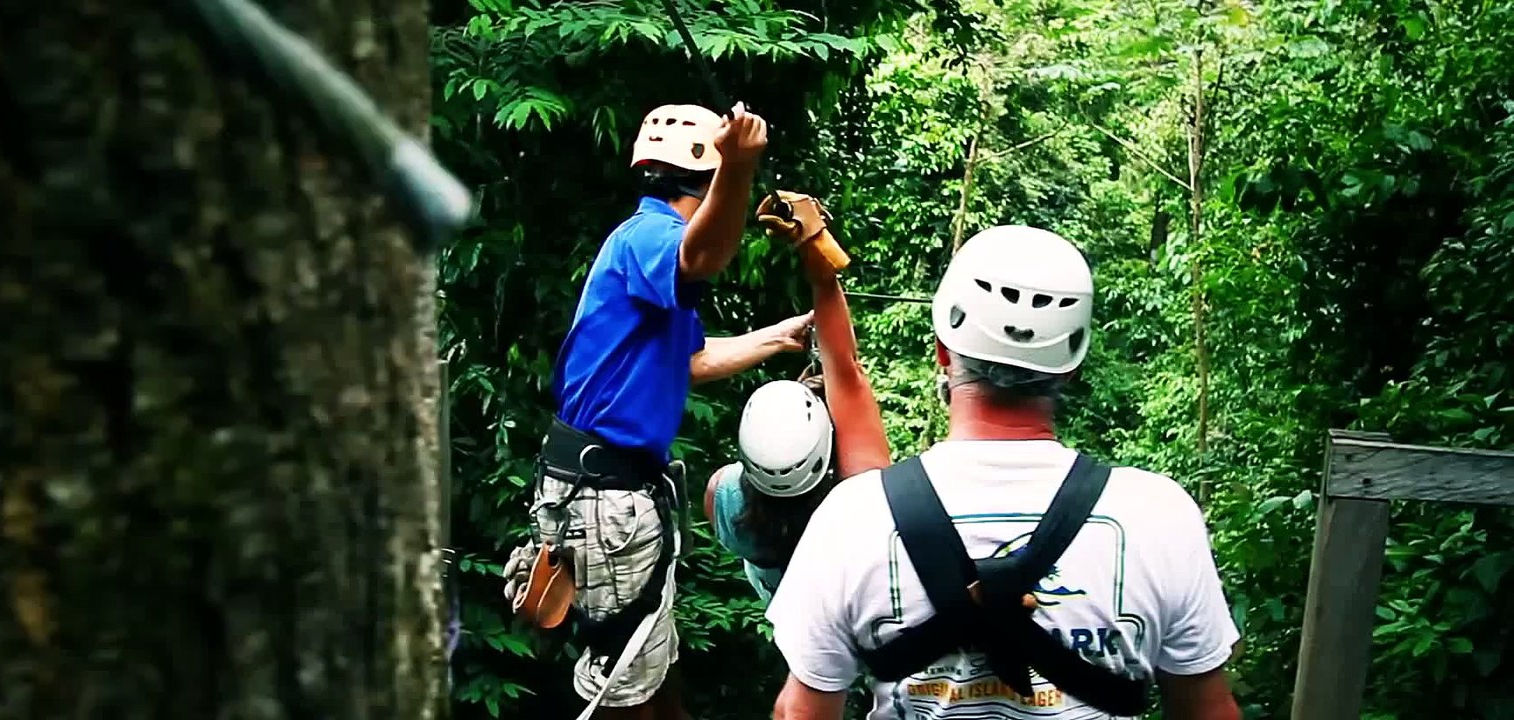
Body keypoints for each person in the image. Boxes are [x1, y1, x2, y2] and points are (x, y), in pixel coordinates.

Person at [765, 225, 1243, 720]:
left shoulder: (856, 517)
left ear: (942, 351)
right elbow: (1208, 711)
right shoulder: (1157, 516)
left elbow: (802, 713)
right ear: (1072, 366)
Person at [505, 102, 814, 720]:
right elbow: (698, 261)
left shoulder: (644, 245)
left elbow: (690, 359)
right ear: (706, 174)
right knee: (623, 686)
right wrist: (741, 169)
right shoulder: (653, 237)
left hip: (611, 488)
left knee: (653, 668)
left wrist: (775, 338)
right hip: (608, 492)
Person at [704, 192, 891, 603]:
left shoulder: (722, 495)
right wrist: (819, 261)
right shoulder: (861, 502)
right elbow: (847, 371)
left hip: (787, 613)